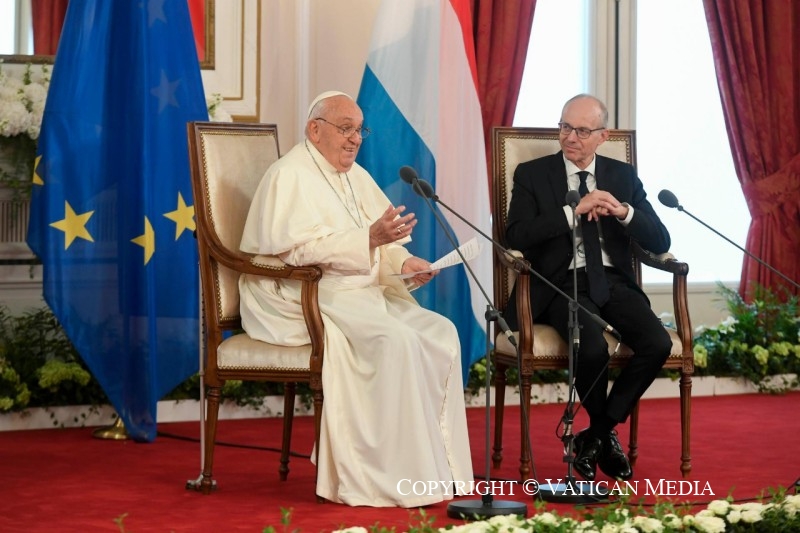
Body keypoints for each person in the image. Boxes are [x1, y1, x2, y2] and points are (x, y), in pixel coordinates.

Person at [238, 91, 474, 507]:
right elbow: (294, 252)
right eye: (345, 128)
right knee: (394, 341)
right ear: (315, 129)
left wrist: (403, 262)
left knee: (440, 332)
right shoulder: (289, 175)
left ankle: (438, 469)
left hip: (359, 289)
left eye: (359, 130)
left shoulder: (355, 176)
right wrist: (367, 240)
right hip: (302, 291)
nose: (355, 139)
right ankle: (377, 476)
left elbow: (380, 246)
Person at [504, 94, 672, 482]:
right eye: (564, 127)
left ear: (603, 136)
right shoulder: (533, 174)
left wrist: (623, 211)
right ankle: (605, 437)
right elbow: (516, 234)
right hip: (559, 283)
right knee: (590, 346)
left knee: (657, 343)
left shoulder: (622, 177)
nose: (570, 137)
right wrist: (570, 213)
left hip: (612, 281)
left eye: (581, 130)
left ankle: (596, 435)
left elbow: (660, 241)